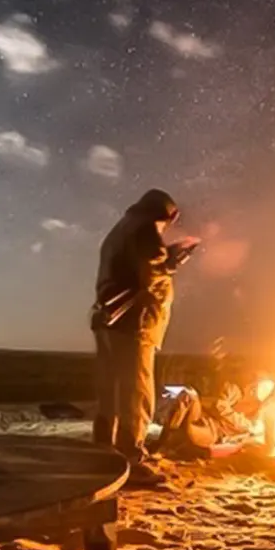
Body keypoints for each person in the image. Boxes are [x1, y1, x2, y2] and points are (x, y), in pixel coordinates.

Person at [91, 189, 196, 485]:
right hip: (135, 325)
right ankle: (131, 459)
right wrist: (173, 262)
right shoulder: (147, 230)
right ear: (168, 214)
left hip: (108, 321)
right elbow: (150, 275)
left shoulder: (120, 230)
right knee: (136, 394)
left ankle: (103, 453)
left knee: (110, 392)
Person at [153, 372, 275, 457]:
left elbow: (248, 438)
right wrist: (245, 424)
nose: (263, 391)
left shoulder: (259, 410)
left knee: (191, 431)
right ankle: (164, 442)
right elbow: (220, 406)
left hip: (211, 431)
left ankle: (172, 443)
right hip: (202, 417)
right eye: (261, 386)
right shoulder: (234, 390)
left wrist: (248, 429)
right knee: (188, 394)